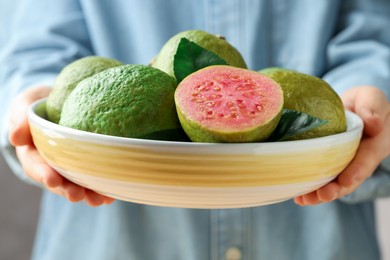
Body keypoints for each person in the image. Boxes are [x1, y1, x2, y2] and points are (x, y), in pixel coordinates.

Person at [1, 0, 390, 259]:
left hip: (316, 239)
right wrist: (34, 99)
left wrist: (369, 90)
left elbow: (372, 34)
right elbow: (36, 46)